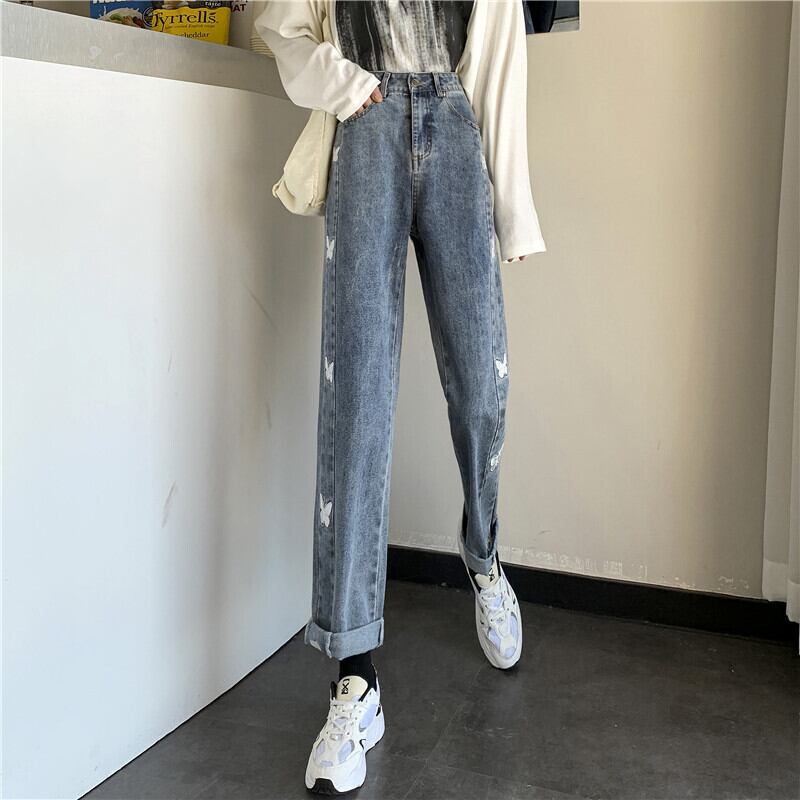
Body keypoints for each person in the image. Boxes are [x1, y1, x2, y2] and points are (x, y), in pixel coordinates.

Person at [255, 0, 546, 793]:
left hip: (454, 126)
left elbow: (500, 64)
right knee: (355, 399)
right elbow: (279, 27)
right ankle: (355, 678)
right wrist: (345, 84)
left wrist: (514, 210)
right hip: (367, 131)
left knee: (481, 384)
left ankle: (483, 555)